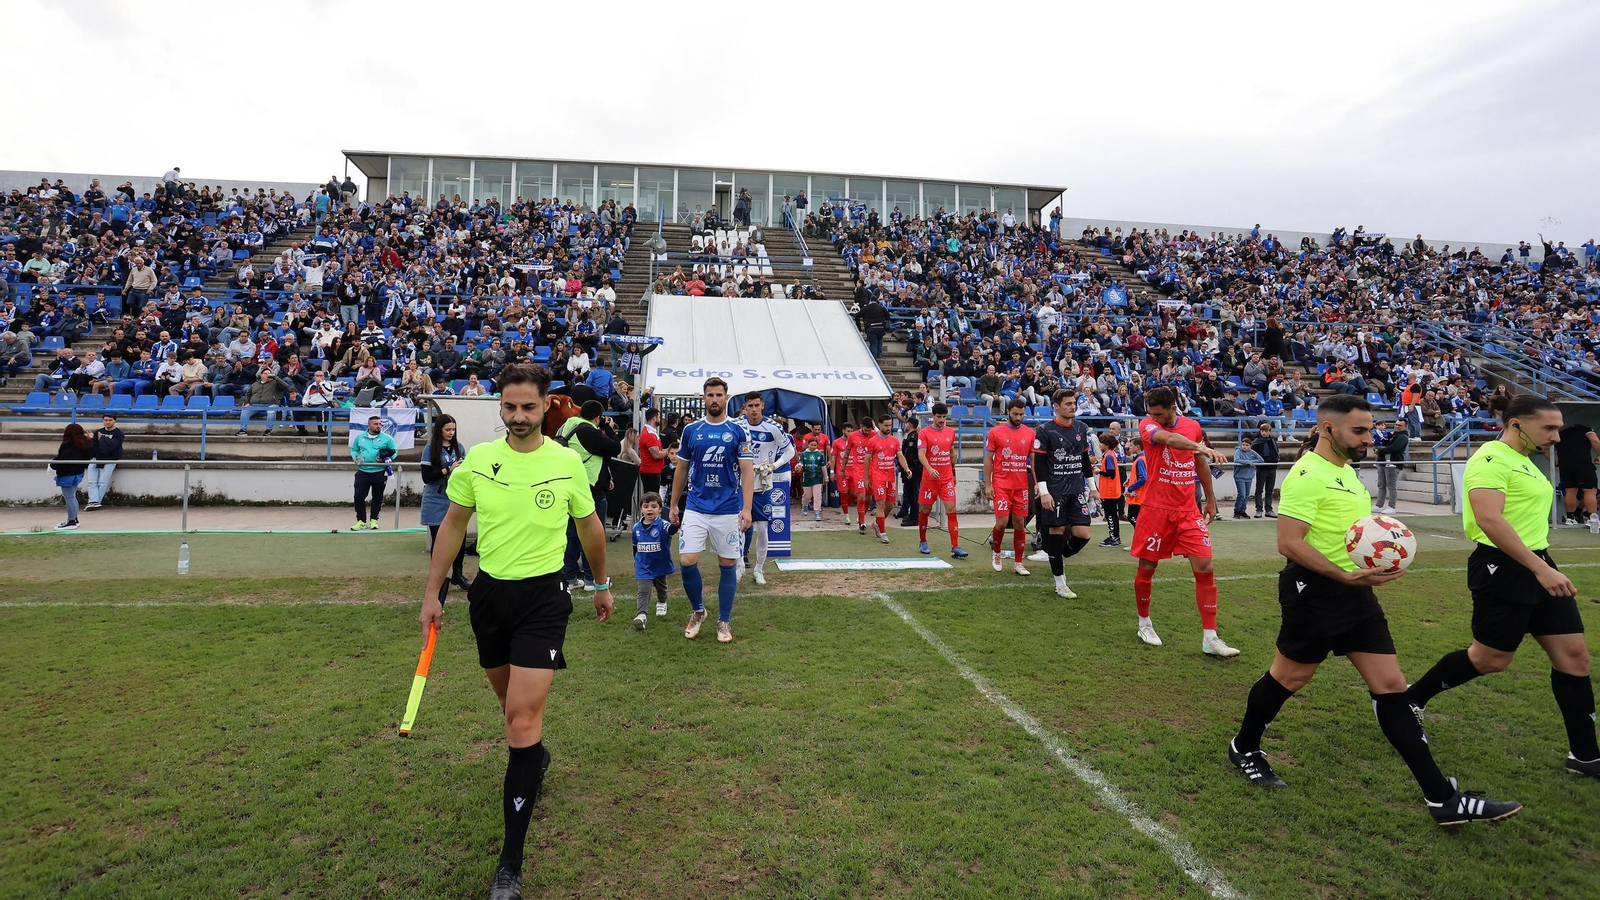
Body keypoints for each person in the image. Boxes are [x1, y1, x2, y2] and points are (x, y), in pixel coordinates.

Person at [1226, 394, 1522, 825]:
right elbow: (1288, 543)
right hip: (1313, 593)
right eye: (1360, 431)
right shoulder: (1307, 474)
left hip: (1356, 593)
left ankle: (1442, 798)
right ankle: (1244, 747)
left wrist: (1373, 559)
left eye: (1371, 429)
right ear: (1328, 429)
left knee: (1392, 687)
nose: (1370, 438)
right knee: (1289, 677)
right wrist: (1343, 575)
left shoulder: (1347, 473)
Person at [417, 363, 613, 900]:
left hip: (544, 600)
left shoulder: (566, 462)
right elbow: (453, 524)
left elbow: (589, 526)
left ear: (546, 406)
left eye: (529, 406)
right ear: (500, 407)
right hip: (489, 598)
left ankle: (510, 865)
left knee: (521, 721)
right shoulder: (479, 461)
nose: (519, 416)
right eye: (510, 407)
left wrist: (601, 583)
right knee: (510, 709)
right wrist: (433, 592)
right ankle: (535, 757)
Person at [1408, 396, 1598, 778]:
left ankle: (1585, 755)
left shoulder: (1526, 461)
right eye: (1549, 428)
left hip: (1538, 562)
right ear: (1516, 424)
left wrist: (1542, 566)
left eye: (1559, 428)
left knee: (1575, 657)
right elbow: (1489, 520)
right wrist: (1540, 569)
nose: (1557, 436)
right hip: (1502, 567)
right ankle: (1410, 699)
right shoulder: (1490, 459)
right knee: (1491, 659)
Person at [1129, 386, 1238, 656]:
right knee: (1147, 566)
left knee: (1205, 567)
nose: (1154, 417)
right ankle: (1144, 624)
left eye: (1159, 414)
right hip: (1156, 509)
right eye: (1151, 413)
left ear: (1173, 408)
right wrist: (1200, 446)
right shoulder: (1148, 425)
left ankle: (1210, 638)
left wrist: (1210, 499)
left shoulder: (1192, 426)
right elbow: (1169, 439)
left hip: (1188, 510)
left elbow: (1199, 464)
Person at [668, 377, 755, 644]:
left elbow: (747, 471)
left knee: (727, 564)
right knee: (687, 561)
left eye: (719, 395)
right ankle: (698, 611)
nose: (714, 399)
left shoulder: (738, 431)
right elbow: (682, 468)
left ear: (726, 398)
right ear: (703, 398)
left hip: (728, 509)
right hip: (696, 506)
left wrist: (747, 508)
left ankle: (723, 621)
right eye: (710, 395)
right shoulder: (691, 430)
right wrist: (673, 503)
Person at [1033, 389, 1097, 598]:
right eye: (1068, 404)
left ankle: (1057, 555)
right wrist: (1044, 492)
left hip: (1077, 490)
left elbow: (1085, 460)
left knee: (1083, 534)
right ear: (1056, 406)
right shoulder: (1045, 431)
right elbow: (1039, 464)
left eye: (1073, 403)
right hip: (1055, 491)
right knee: (1057, 531)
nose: (1072, 407)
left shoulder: (1081, 428)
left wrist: (1093, 487)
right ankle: (1060, 584)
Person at [556, 401, 622, 591]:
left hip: (570, 486)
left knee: (571, 534)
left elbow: (593, 454)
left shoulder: (567, 426)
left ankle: (569, 577)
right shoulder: (588, 431)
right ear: (597, 417)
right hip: (591, 489)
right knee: (593, 534)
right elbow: (615, 448)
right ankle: (591, 578)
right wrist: (608, 429)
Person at [738, 393, 795, 585]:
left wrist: (774, 465)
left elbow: (790, 451)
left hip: (762, 484)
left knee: (762, 528)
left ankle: (758, 570)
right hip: (740, 483)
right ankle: (739, 566)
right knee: (738, 526)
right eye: (750, 406)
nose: (754, 409)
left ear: (762, 405)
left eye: (757, 405)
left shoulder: (773, 427)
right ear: (745, 407)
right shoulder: (737, 425)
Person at [981, 398, 1036, 577]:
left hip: (1021, 486)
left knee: (1020, 523)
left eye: (1021, 414)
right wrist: (988, 484)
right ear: (1008, 413)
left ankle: (1018, 563)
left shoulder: (1030, 433)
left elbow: (1033, 462)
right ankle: (996, 553)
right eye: (1015, 414)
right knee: (1002, 522)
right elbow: (988, 460)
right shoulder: (996, 432)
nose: (1018, 417)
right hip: (1001, 484)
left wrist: (1037, 484)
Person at [421, 414, 471, 598]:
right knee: (439, 540)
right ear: (439, 430)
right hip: (436, 498)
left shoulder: (460, 448)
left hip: (456, 497)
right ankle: (438, 578)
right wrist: (448, 469)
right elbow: (427, 477)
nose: (451, 433)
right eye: (447, 429)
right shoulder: (429, 449)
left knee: (460, 538)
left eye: (453, 429)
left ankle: (458, 574)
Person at [916, 403, 968, 558]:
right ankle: (923, 541)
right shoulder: (924, 433)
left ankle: (955, 546)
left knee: (951, 509)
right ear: (932, 416)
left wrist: (954, 473)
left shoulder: (950, 432)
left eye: (944, 417)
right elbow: (921, 454)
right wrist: (930, 469)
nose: (941, 420)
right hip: (930, 479)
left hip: (946, 479)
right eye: (939, 417)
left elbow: (951, 453)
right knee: (925, 510)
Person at [629, 492, 677, 630]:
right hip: (643, 565)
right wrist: (635, 559)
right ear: (641, 509)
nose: (649, 509)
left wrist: (675, 524)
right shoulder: (636, 528)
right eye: (646, 506)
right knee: (643, 589)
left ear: (660, 509)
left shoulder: (663, 525)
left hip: (660, 563)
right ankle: (641, 615)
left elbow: (671, 531)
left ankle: (662, 602)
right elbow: (635, 546)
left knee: (661, 586)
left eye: (654, 506)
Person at [864, 414, 910, 543]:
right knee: (881, 503)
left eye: (890, 425)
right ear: (879, 425)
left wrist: (906, 468)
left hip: (890, 476)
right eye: (886, 425)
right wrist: (866, 478)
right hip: (877, 476)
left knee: (890, 505)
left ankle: (878, 523)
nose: (888, 428)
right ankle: (883, 533)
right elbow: (866, 460)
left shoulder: (894, 441)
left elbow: (900, 456)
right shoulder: (872, 441)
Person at [350, 415, 396, 531]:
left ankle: (374, 520)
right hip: (363, 471)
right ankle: (361, 521)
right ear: (369, 425)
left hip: (379, 471)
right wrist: (355, 458)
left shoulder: (387, 438)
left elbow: (395, 451)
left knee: (377, 497)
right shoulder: (360, 438)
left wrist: (387, 459)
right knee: (358, 496)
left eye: (380, 424)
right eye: (376, 424)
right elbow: (354, 450)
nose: (378, 426)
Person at [1555, 420, 1600, 530]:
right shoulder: (1586, 429)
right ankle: (1591, 518)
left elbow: (1547, 448)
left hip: (1565, 466)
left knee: (1570, 491)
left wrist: (1555, 461)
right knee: (1590, 491)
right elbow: (1594, 440)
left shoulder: (1560, 434)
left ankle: (1570, 518)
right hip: (1583, 464)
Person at [51, 423, 95, 530]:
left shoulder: (69, 445)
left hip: (67, 473)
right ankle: (74, 519)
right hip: (78, 472)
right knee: (72, 496)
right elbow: (92, 453)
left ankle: (71, 521)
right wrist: (91, 440)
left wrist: (52, 464)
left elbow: (62, 459)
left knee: (69, 497)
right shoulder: (85, 443)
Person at [83, 413, 125, 511]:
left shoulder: (119, 434)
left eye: (110, 420)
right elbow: (94, 446)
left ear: (114, 421)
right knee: (92, 481)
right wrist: (91, 439)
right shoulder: (98, 431)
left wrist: (102, 439)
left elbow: (114, 446)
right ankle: (93, 501)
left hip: (109, 460)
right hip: (96, 458)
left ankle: (96, 502)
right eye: (106, 420)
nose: (108, 422)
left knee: (102, 482)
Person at [1096, 432, 1124, 548]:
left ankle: (1114, 538)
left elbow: (1111, 474)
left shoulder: (1109, 456)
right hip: (1110, 491)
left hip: (1109, 491)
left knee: (1110, 515)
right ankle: (1115, 536)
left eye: (1101, 443)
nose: (1100, 445)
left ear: (1106, 444)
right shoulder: (1110, 455)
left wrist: (1099, 472)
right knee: (1112, 515)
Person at [846, 417, 872, 532]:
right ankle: (862, 522)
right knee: (861, 495)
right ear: (861, 426)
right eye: (866, 430)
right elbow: (847, 453)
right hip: (858, 469)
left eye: (869, 430)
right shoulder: (852, 436)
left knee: (869, 496)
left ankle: (862, 516)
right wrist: (842, 469)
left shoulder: (874, 434)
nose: (867, 432)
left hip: (871, 470)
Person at [1250, 422, 1280, 518]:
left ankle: (1269, 509)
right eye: (1262, 431)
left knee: (1269, 490)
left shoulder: (1272, 441)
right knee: (1259, 489)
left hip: (1272, 468)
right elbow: (1252, 454)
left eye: (1266, 431)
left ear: (1269, 432)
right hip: (1262, 468)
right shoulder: (1256, 442)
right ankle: (1259, 509)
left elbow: (1276, 452)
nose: (1264, 433)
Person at [1231, 437, 1263, 520]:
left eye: (1247, 445)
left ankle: (1242, 510)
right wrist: (1247, 462)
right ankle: (1237, 511)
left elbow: (1261, 460)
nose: (1244, 446)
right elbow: (1237, 460)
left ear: (1250, 446)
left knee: (1246, 495)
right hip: (1239, 476)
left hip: (1249, 477)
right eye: (1243, 445)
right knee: (1242, 494)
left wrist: (1252, 462)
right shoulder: (1238, 451)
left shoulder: (1252, 452)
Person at [638, 408, 667, 497]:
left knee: (653, 496)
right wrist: (669, 453)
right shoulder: (649, 434)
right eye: (659, 417)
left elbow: (659, 450)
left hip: (653, 471)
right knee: (652, 497)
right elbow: (656, 454)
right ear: (654, 418)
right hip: (651, 472)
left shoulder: (651, 432)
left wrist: (669, 450)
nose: (660, 419)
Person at [797, 438, 827, 522]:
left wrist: (826, 477)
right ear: (808, 444)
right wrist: (798, 467)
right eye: (811, 445)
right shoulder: (804, 454)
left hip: (817, 477)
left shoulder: (819, 454)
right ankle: (804, 505)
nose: (813, 447)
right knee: (807, 495)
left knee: (817, 495)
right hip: (807, 477)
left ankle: (817, 512)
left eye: (815, 445)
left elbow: (823, 466)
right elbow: (801, 463)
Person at [1124, 447, 1147, 527]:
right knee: (1135, 518)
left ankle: (1144, 533)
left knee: (1133, 518)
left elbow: (1143, 478)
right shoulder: (1143, 458)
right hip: (1141, 495)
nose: (1129, 447)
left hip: (1138, 495)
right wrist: (1130, 480)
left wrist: (1130, 489)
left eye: (1131, 445)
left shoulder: (1139, 460)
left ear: (1137, 447)